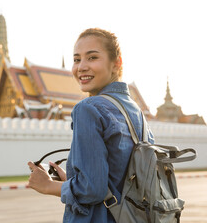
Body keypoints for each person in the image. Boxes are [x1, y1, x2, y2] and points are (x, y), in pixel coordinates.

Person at [28, 28, 154, 222]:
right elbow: (117, 180)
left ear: (116, 63)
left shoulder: (88, 108)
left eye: (92, 58)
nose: (81, 67)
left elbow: (92, 189)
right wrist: (69, 182)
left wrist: (47, 185)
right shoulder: (136, 112)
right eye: (77, 59)